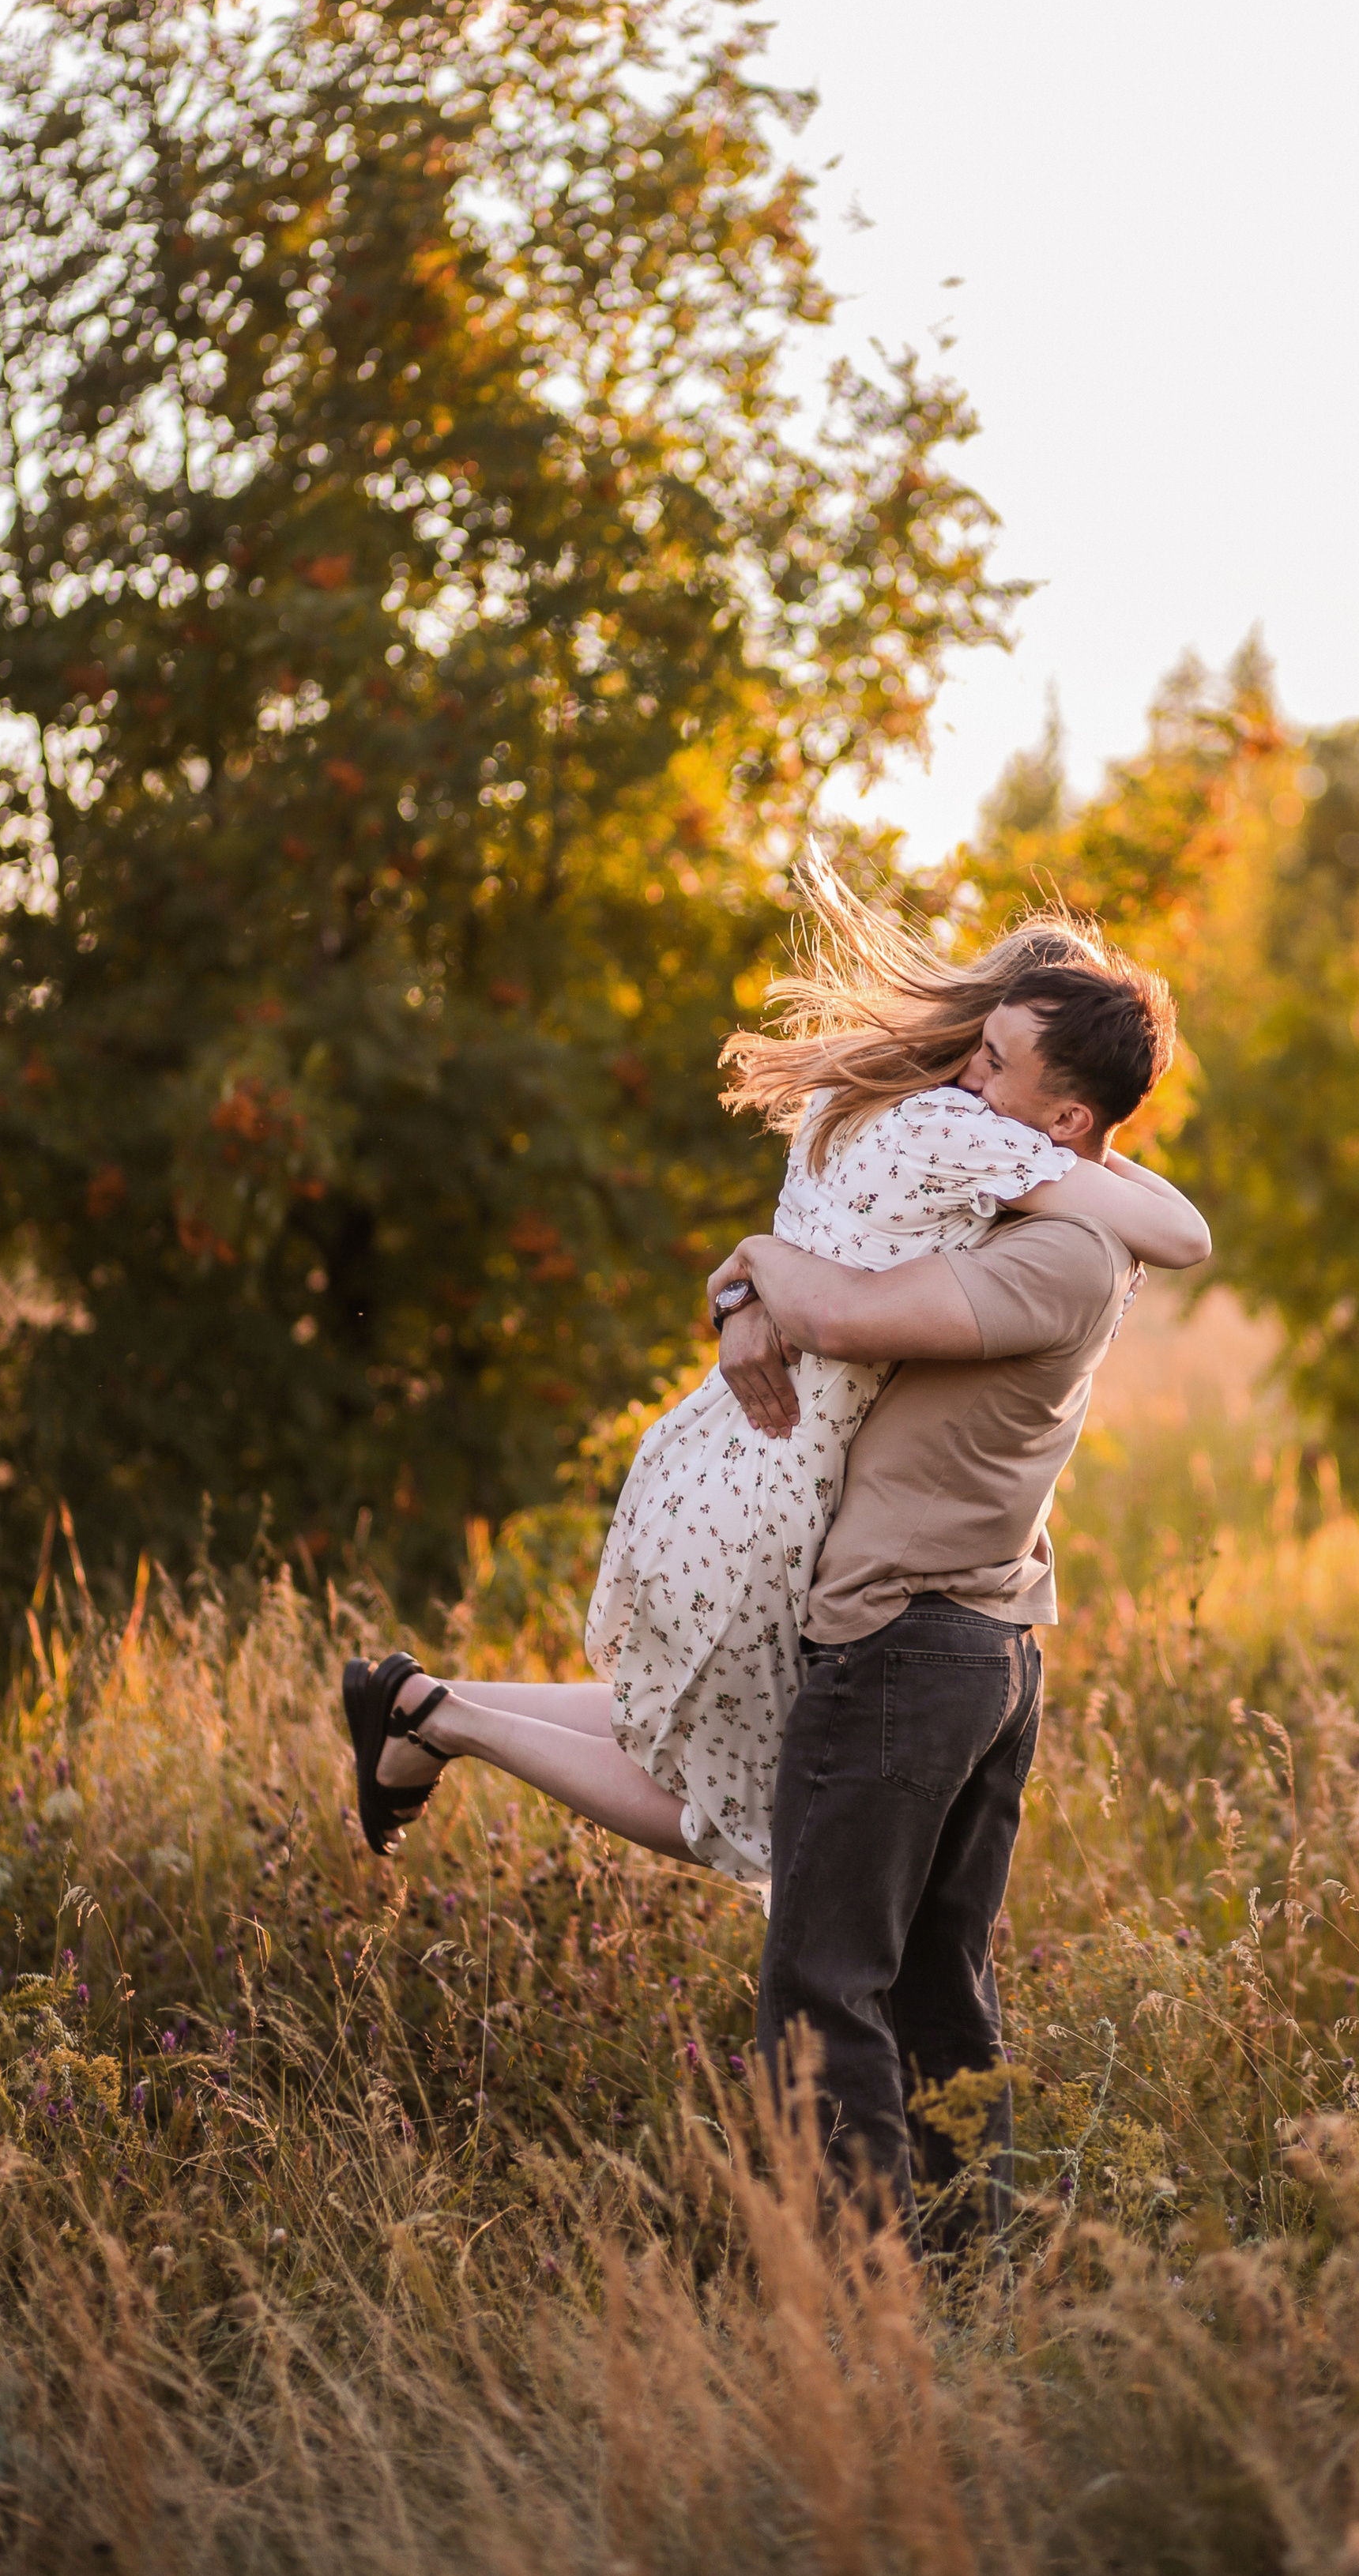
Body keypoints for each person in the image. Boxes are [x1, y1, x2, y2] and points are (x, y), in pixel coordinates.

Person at [338, 864, 1207, 1896]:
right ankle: (443, 1718)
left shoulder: (866, 1102)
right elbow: (1182, 1231)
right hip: (779, 1487)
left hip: (723, 1459)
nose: (984, 1070)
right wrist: (1076, 1139)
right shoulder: (965, 1132)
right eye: (990, 1049)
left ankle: (417, 1701)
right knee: (744, 1818)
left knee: (672, 1729)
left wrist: (744, 1289)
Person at [707, 941, 1181, 2251]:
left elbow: (851, 1314)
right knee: (932, 1991)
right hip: (973, 1640)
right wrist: (743, 1294)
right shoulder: (1026, 1203)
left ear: (1069, 1119)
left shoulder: (1067, 1253)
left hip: (910, 1644)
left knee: (821, 1987)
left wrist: (752, 1265)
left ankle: (869, 2312)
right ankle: (978, 2285)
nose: (966, 1080)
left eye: (994, 1063)